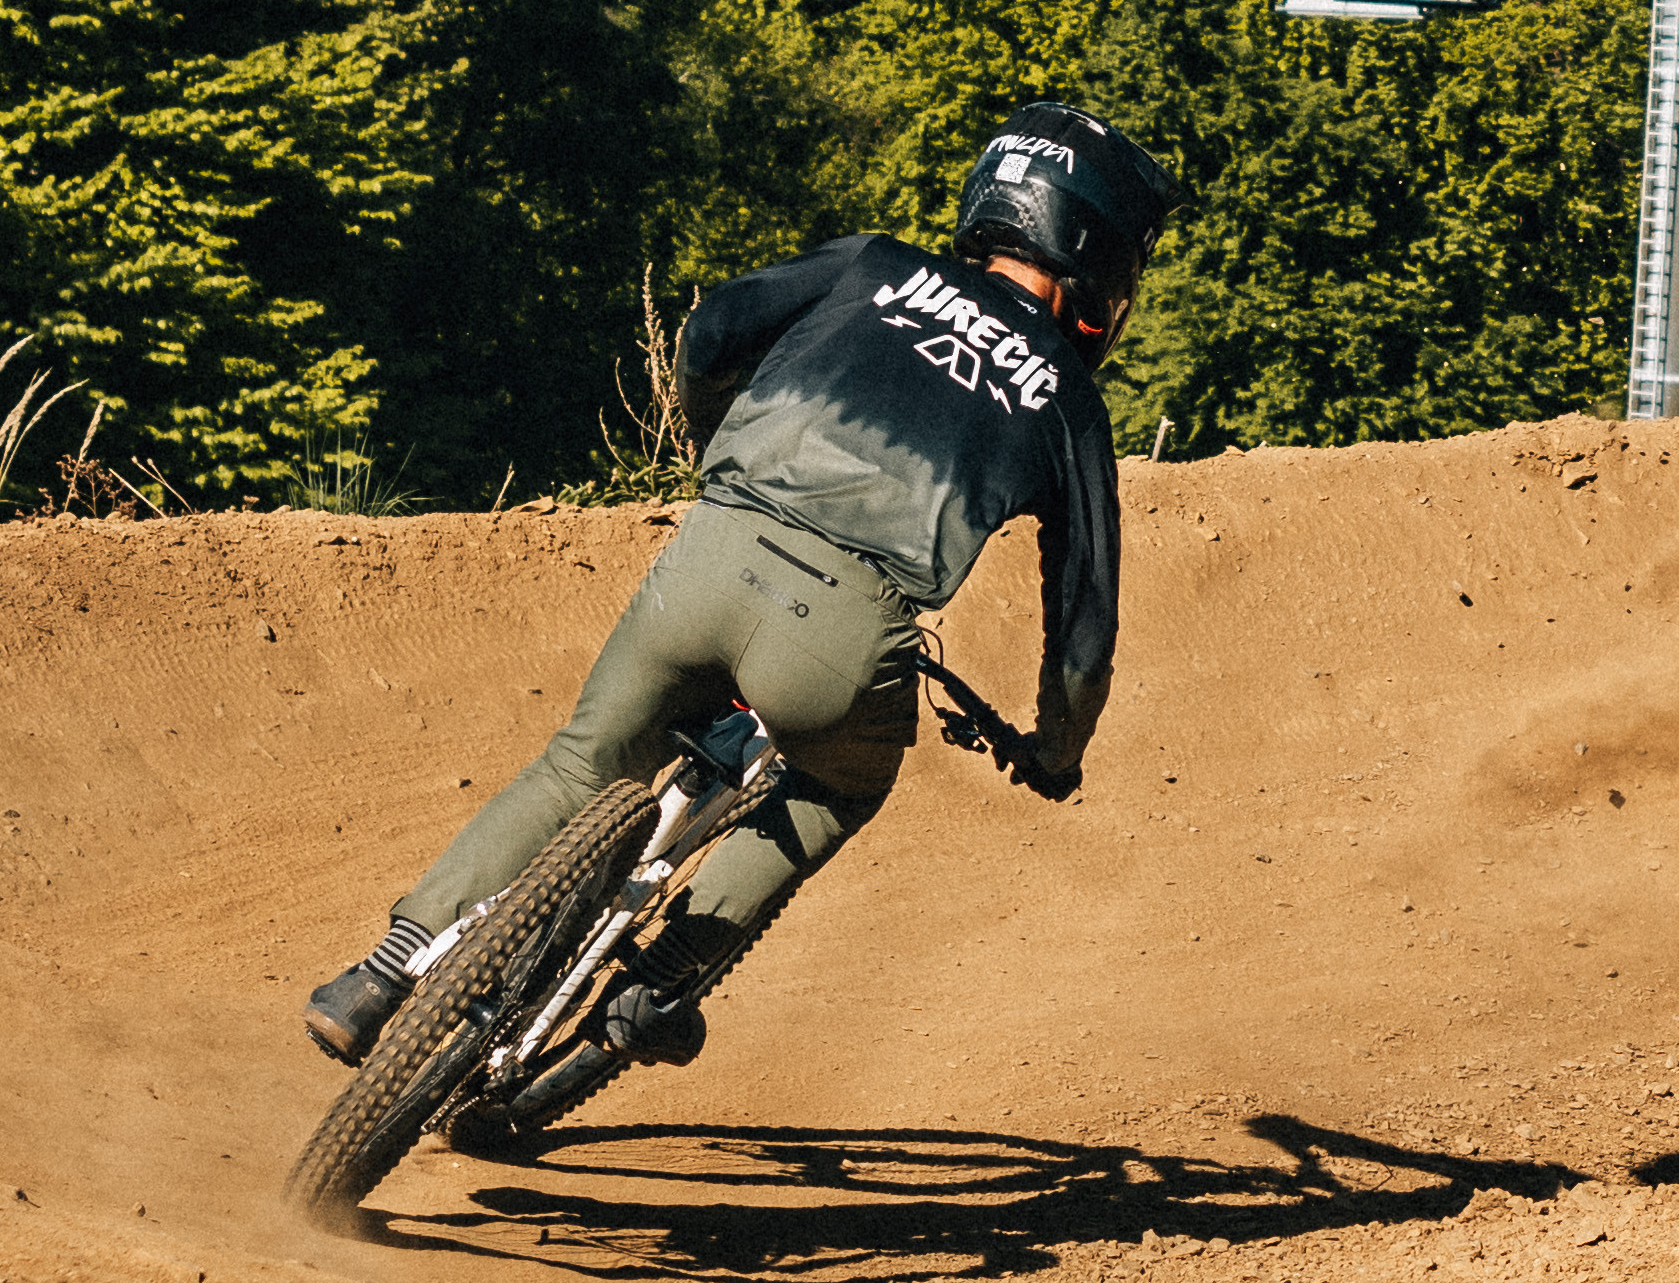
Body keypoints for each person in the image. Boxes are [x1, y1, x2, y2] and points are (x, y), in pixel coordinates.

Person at [304, 100, 1183, 1116]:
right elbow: (1085, 620)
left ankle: (380, 972)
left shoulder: (873, 267)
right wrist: (1054, 750)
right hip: (845, 643)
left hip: (709, 562)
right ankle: (655, 984)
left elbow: (715, 326)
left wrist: (715, 438)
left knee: (582, 763)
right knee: (835, 791)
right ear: (1096, 254)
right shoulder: (1066, 395)